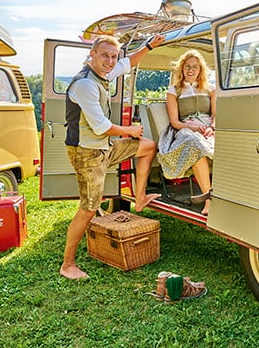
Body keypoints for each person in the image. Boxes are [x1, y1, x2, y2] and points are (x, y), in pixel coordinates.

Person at [60, 34, 165, 280]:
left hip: (104, 146)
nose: (110, 61)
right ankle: (67, 265)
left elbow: (128, 63)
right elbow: (100, 126)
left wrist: (148, 46)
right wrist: (129, 130)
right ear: (92, 55)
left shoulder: (104, 73)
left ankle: (139, 199)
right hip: (87, 152)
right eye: (104, 55)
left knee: (147, 146)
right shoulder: (85, 84)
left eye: (113, 56)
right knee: (88, 208)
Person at [157, 50, 215, 215]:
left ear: (200, 69)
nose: (190, 70)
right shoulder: (173, 90)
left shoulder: (210, 88)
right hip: (185, 129)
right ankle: (209, 200)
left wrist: (211, 127)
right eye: (187, 66)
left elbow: (216, 114)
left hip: (208, 128)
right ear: (181, 69)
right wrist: (193, 128)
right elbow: (175, 122)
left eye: (195, 67)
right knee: (194, 144)